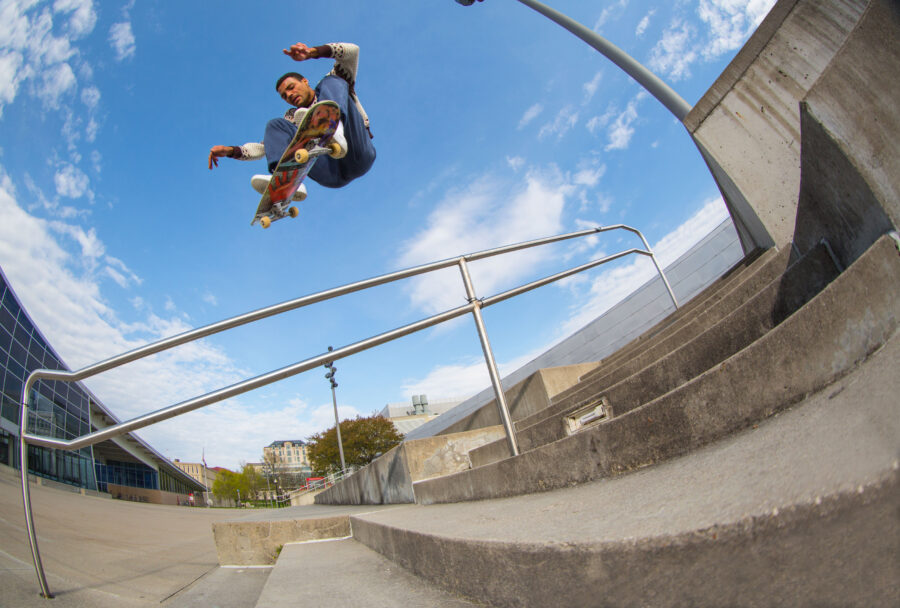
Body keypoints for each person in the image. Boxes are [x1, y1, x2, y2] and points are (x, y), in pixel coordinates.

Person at [208, 42, 376, 200]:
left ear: (304, 81)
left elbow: (352, 51)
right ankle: (285, 180)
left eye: (291, 88)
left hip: (357, 153)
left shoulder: (333, 82)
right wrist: (229, 151)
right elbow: (263, 148)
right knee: (275, 125)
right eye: (284, 96)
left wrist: (313, 52)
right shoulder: (293, 118)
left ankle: (333, 129)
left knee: (331, 81)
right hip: (330, 173)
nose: (289, 95)